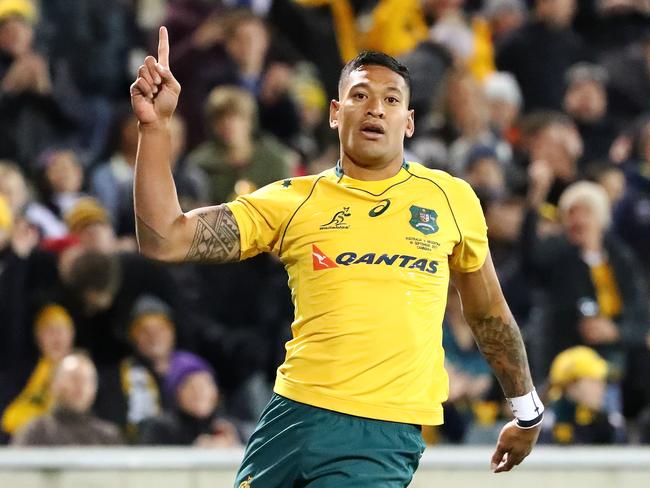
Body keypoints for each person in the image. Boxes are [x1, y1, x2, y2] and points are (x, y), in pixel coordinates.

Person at [131, 27, 543, 486]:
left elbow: (488, 312)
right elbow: (164, 239)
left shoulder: (450, 198)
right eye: (361, 95)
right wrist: (155, 127)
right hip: (290, 419)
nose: (375, 109)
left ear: (408, 121)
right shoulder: (295, 200)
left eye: (390, 100)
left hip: (379, 435)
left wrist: (526, 412)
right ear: (334, 112)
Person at [11, 352, 123, 446]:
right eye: (74, 378)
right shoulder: (34, 432)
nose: (81, 386)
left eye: (88, 380)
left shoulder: (108, 436)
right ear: (53, 385)